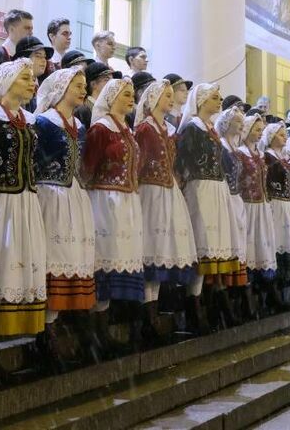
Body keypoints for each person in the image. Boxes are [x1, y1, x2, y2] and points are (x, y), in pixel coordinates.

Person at [0, 59, 48, 386]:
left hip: (26, 203)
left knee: (16, 271)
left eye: (32, 78)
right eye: (25, 78)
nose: (32, 83)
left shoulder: (30, 121)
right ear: (5, 82)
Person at [33, 67, 101, 364]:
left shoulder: (79, 126)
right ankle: (45, 331)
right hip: (51, 196)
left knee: (73, 258)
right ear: (60, 87)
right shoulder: (44, 123)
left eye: (84, 85)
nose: (82, 89)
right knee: (54, 258)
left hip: (73, 196)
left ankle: (64, 324)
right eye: (77, 84)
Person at [81, 77, 146, 351]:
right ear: (110, 97)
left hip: (126, 202)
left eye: (132, 94)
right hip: (105, 202)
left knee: (118, 258)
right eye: (125, 94)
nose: (131, 98)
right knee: (103, 260)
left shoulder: (126, 129)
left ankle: (105, 323)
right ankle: (93, 329)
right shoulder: (101, 129)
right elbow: (87, 169)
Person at [133, 79, 199, 339]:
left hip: (168, 191)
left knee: (161, 253)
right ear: (153, 98)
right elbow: (138, 163)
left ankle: (154, 311)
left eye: (173, 95)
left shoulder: (169, 129)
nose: (171, 99)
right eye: (166, 95)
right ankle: (146, 315)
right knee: (151, 251)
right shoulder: (144, 128)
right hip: (149, 192)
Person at [175, 83, 243, 327]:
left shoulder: (210, 128)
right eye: (215, 97)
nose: (219, 100)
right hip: (200, 189)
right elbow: (182, 160)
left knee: (215, 245)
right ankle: (193, 306)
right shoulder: (192, 128)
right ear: (202, 101)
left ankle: (211, 303)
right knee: (203, 244)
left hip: (216, 189)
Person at [261, 121, 290, 307]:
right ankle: (275, 293)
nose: (284, 137)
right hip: (276, 204)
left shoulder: (282, 158)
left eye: (284, 134)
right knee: (279, 244)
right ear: (272, 137)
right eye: (281, 135)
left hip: (288, 203)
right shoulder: (268, 157)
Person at [239, 112, 280, 313]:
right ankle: (247, 297)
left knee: (263, 247)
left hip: (262, 205)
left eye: (261, 130)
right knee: (250, 248)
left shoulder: (260, 155)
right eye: (256, 130)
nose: (259, 133)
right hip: (247, 205)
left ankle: (265, 295)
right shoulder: (239, 153)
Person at [216, 106, 253, 321]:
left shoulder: (235, 147)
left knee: (238, 246)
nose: (241, 125)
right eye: (237, 121)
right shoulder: (221, 146)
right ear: (227, 123)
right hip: (225, 197)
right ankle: (223, 301)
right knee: (228, 244)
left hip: (236, 198)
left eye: (242, 122)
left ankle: (235, 300)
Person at [12, 35, 52, 112]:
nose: (44, 60)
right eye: (38, 56)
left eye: (44, 57)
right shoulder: (14, 87)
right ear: (23, 58)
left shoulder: (45, 87)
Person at [76, 61, 117, 129]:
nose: (112, 84)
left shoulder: (110, 109)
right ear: (93, 84)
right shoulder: (83, 110)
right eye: (107, 80)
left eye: (112, 80)